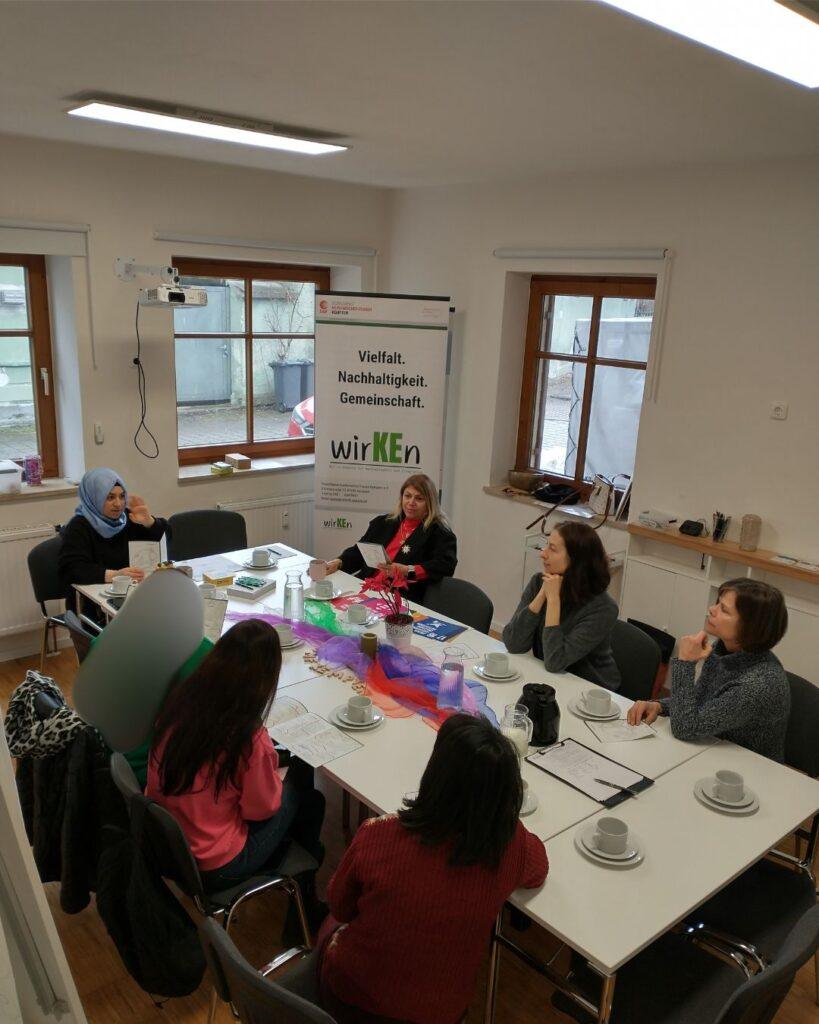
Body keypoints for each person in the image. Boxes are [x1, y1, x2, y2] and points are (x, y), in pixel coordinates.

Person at [317, 713, 548, 1024]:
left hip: (351, 1001)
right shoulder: (509, 848)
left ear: (434, 775)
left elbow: (340, 905)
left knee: (330, 923)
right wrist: (503, 820)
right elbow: (539, 867)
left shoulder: (378, 835)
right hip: (441, 1014)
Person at [146, 620, 326, 918]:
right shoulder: (247, 736)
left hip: (171, 850)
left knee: (296, 788)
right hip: (217, 866)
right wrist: (276, 777)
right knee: (308, 794)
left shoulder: (181, 703)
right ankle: (303, 907)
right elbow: (261, 811)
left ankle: (296, 874)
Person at [627, 579, 790, 761]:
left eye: (724, 610)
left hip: (747, 769)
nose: (712, 609)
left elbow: (685, 729)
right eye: (718, 603)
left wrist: (685, 663)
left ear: (750, 628)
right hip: (714, 751)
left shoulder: (756, 685)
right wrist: (660, 706)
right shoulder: (722, 649)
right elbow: (698, 701)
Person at [503, 521, 620, 690]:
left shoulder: (603, 608)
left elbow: (555, 661)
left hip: (590, 689)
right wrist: (542, 594)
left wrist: (553, 601)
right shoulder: (539, 582)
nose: (543, 554)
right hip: (550, 679)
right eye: (546, 546)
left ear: (576, 559)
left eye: (552, 549)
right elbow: (513, 643)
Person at [321, 473, 457, 601]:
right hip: (365, 587)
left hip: (398, 597)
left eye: (419, 498)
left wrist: (407, 571)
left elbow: (444, 566)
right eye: (407, 496)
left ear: (430, 503)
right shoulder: (384, 523)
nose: (411, 502)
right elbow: (359, 552)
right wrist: (339, 562)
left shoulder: (440, 533)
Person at [58, 467, 168, 610]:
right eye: (110, 497)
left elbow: (168, 539)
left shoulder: (128, 517)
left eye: (122, 496)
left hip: (130, 597)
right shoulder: (78, 526)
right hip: (92, 605)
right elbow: (71, 569)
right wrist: (115, 575)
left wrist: (150, 522)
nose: (118, 504)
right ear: (94, 498)